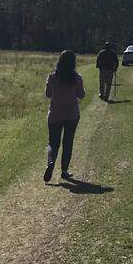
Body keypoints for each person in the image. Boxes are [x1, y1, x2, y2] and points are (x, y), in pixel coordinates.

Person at [44, 50, 85, 182]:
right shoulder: (76, 78)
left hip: (55, 114)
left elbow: (48, 94)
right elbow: (81, 95)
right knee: (68, 142)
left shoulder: (52, 77)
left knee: (53, 143)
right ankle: (64, 171)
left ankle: (51, 162)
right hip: (71, 114)